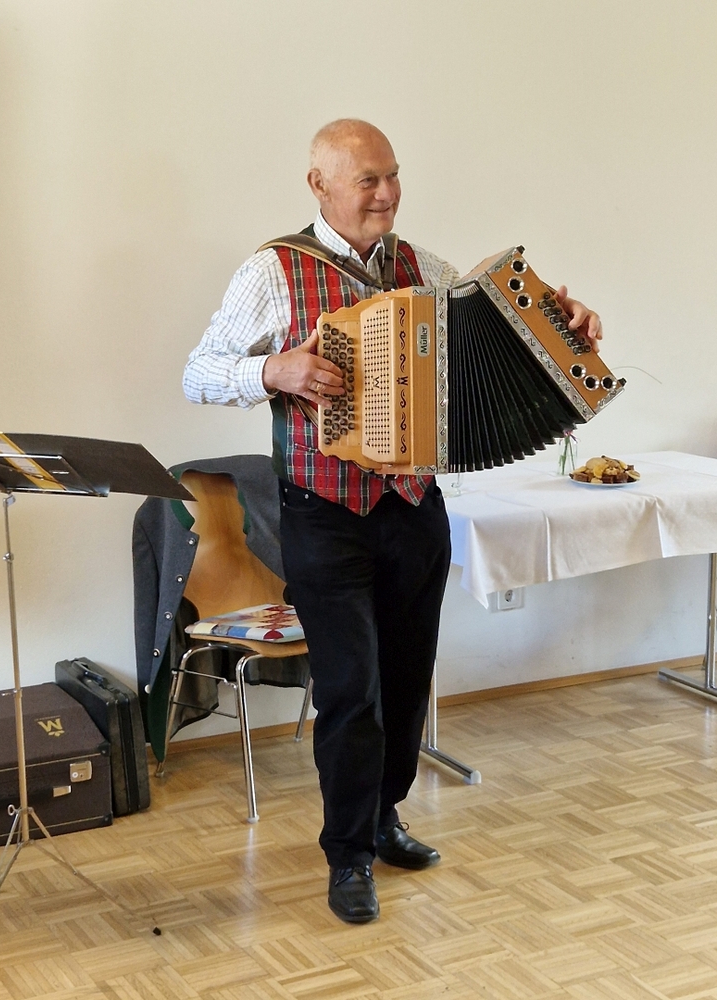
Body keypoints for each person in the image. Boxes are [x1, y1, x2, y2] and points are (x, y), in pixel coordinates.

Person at [183, 119, 603, 924]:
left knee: (408, 680)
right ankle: (346, 855)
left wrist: (565, 319)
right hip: (322, 513)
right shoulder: (273, 271)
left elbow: (503, 320)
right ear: (320, 184)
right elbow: (197, 372)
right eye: (367, 179)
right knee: (352, 689)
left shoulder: (423, 269)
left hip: (413, 509)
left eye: (392, 175)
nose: (386, 193)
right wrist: (274, 369)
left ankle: (384, 819)